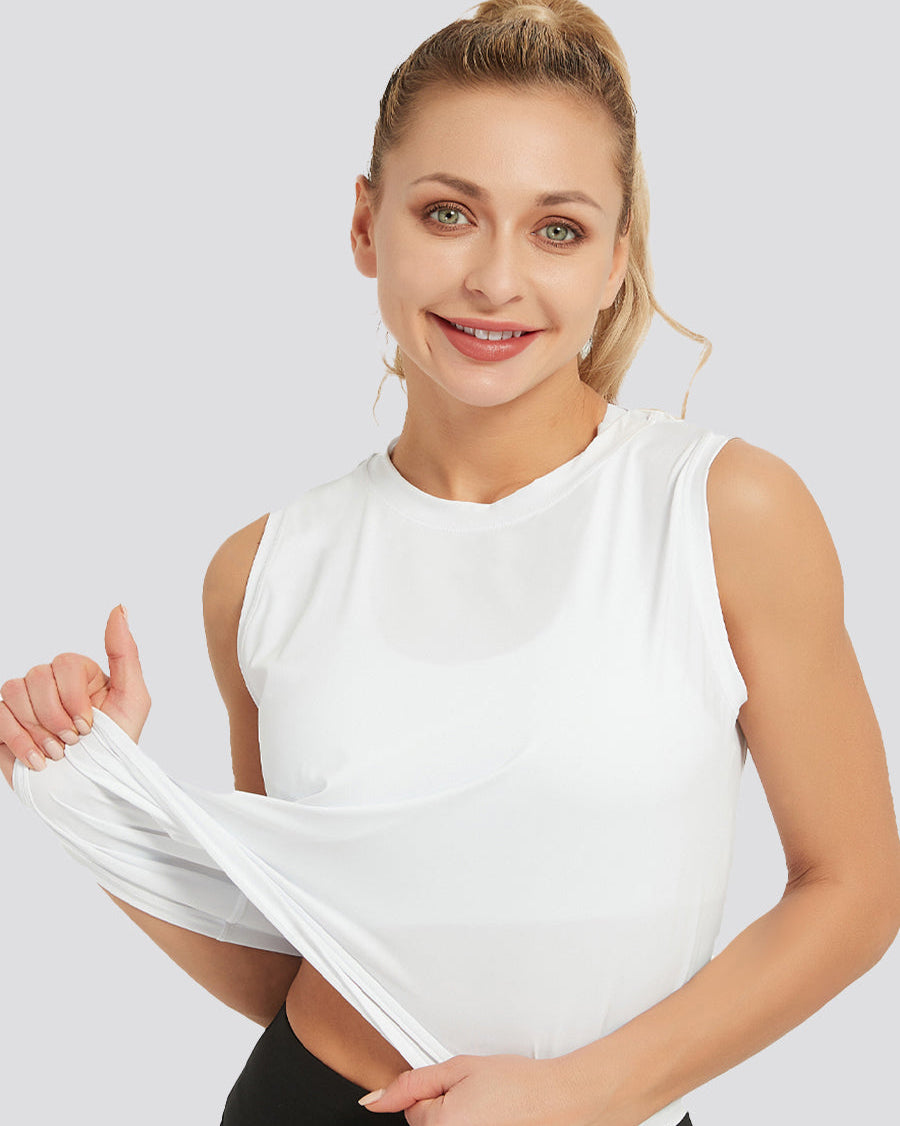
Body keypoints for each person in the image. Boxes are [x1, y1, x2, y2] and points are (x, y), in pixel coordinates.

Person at [2, 2, 899, 1124]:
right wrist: (97, 791)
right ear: (366, 225)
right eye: (448, 213)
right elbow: (303, 964)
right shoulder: (263, 571)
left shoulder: (721, 510)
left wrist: (582, 1094)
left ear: (619, 259)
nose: (494, 279)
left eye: (557, 229)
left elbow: (854, 893)